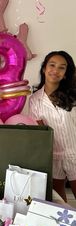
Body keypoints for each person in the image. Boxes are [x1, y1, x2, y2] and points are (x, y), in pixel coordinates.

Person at [29, 50, 76, 202]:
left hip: (74, 153)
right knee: (59, 204)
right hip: (54, 156)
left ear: (66, 73)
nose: (56, 70)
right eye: (52, 65)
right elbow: (40, 131)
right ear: (44, 68)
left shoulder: (74, 95)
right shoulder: (35, 99)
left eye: (62, 67)